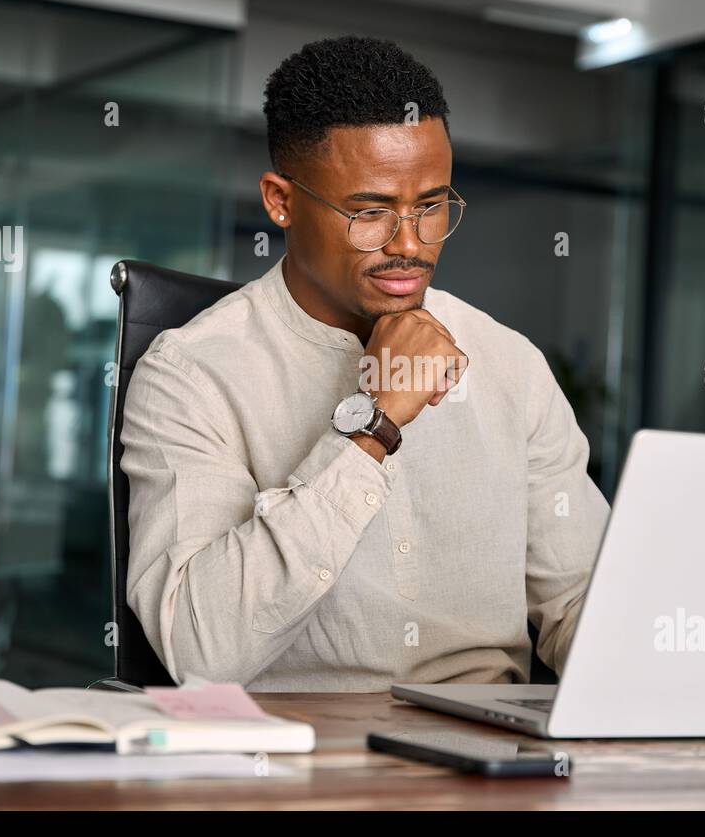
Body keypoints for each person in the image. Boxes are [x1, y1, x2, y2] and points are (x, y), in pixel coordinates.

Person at [120, 35, 609, 690]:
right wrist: (372, 427)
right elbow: (200, 649)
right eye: (370, 211)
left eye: (431, 206)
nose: (410, 245)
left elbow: (581, 602)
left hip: (490, 764)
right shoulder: (191, 374)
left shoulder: (509, 364)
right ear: (280, 200)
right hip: (300, 766)